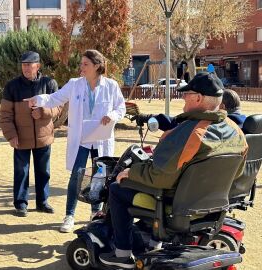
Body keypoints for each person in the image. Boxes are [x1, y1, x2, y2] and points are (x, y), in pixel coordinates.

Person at [101, 72, 248, 269]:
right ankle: (154, 243)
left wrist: (131, 172)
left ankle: (123, 253)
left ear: (198, 98)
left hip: (176, 206)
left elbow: (159, 176)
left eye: (187, 94)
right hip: (213, 207)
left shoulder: (189, 132)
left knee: (117, 189)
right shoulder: (236, 132)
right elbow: (236, 174)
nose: (183, 97)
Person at [24, 49, 126, 232]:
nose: (81, 67)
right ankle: (69, 215)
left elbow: (121, 108)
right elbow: (55, 98)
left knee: (99, 176)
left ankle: (96, 213)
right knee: (76, 176)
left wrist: (111, 115)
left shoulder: (111, 86)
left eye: (85, 64)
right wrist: (38, 100)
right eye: (81, 63)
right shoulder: (75, 84)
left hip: (101, 137)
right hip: (81, 138)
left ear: (97, 66)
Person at [0, 51, 61, 217]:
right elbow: (5, 115)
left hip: (44, 137)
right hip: (20, 138)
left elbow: (59, 108)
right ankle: (21, 204)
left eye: (29, 64)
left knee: (44, 172)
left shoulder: (49, 84)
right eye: (23, 65)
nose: (26, 68)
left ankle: (43, 202)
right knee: (21, 172)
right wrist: (11, 135)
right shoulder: (12, 86)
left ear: (38, 66)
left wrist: (43, 112)